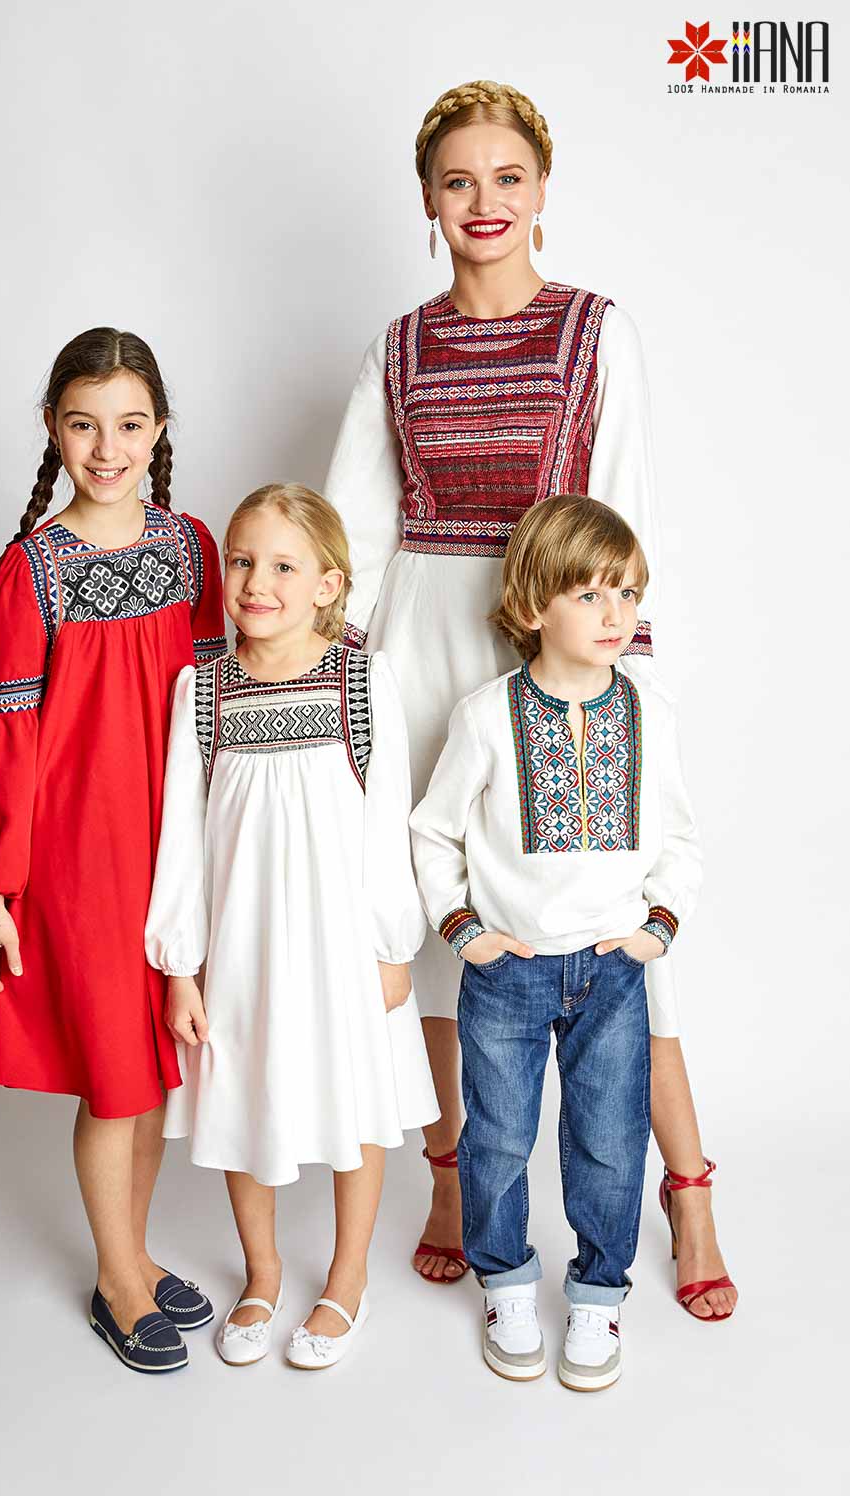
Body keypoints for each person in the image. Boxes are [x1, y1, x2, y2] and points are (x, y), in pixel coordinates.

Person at [323, 79, 736, 1319]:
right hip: (424, 651)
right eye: (458, 180)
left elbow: (622, 511)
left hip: (566, 650)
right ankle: (455, 1181)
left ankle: (688, 1189)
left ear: (542, 189)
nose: (483, 201)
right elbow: (355, 531)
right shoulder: (397, 348)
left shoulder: (597, 332)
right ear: (427, 199)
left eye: (506, 177)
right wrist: (340, 686)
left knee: (614, 929)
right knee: (442, 931)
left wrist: (627, 686)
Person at [0, 328, 227, 1374]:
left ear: (159, 428)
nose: (106, 449)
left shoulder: (193, 547)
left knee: (154, 1068)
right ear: (51, 429)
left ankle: (137, 1254)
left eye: (128, 424)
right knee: (115, 1076)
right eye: (82, 425)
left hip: (176, 846)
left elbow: (217, 697)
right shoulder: (32, 571)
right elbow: (8, 740)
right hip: (81, 860)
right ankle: (116, 1282)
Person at [411, 495, 709, 1390]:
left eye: (627, 593)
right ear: (533, 604)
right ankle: (505, 1281)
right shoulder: (485, 715)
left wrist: (657, 927)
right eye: (589, 594)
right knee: (498, 1139)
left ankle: (597, 1293)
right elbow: (433, 831)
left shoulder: (648, 711)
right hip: (508, 972)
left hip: (613, 972)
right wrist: (463, 930)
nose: (615, 613)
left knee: (611, 1141)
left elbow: (679, 837)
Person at [145, 483, 438, 1370]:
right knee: (241, 1090)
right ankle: (263, 1272)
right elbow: (181, 838)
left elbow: (387, 823)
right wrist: (181, 965)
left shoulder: (361, 680)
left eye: (282, 565)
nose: (255, 582)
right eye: (241, 561)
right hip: (242, 943)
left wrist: (392, 947)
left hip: (341, 939)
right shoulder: (203, 689)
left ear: (327, 584)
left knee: (356, 1098)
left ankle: (346, 1278)